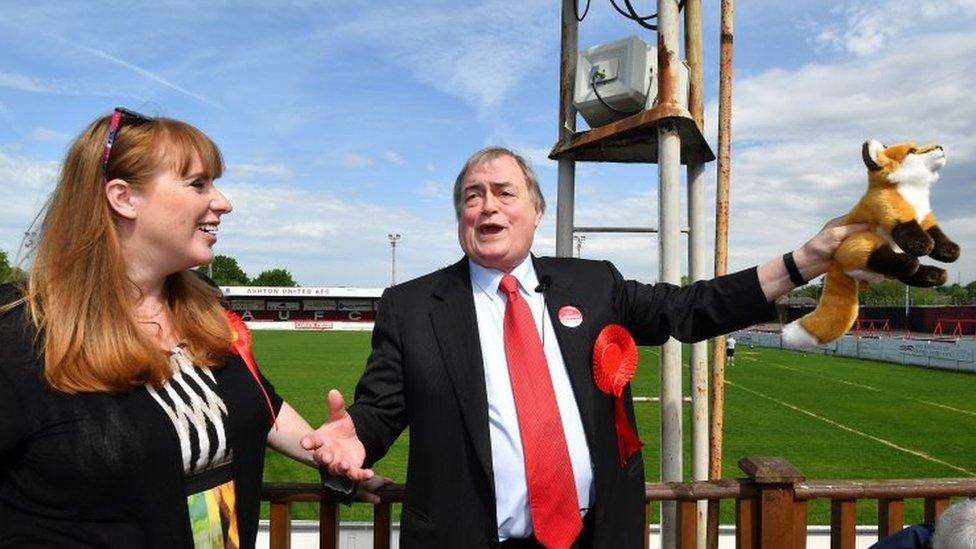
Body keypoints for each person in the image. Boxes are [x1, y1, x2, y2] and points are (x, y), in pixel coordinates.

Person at [302, 147, 867, 548]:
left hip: (595, 536)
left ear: (536, 210)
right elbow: (379, 411)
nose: (488, 207)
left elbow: (690, 307)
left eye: (505, 192)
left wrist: (805, 261)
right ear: (459, 217)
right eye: (473, 197)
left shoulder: (594, 283)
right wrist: (353, 440)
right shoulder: (412, 305)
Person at [0, 108, 383, 548]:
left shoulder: (208, 311)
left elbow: (263, 404)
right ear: (123, 198)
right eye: (198, 184)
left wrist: (325, 450)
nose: (223, 202)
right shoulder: (19, 331)